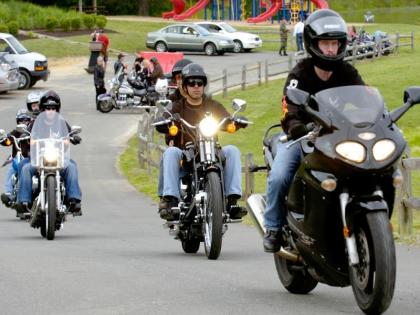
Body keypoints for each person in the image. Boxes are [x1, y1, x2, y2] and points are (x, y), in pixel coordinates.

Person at [262, 9, 365, 253]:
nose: (331, 49)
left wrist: (376, 119)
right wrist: (298, 128)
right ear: (313, 43)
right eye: (325, 43)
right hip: (303, 139)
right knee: (279, 177)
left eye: (335, 43)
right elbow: (289, 110)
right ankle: (274, 228)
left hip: (336, 139)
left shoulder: (346, 72)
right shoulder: (300, 74)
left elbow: (364, 97)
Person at [156, 63, 247, 221]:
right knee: (171, 152)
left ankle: (232, 200)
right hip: (186, 154)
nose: (196, 87)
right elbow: (165, 118)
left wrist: (235, 121)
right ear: (185, 86)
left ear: (204, 85)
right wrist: (165, 122)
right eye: (192, 83)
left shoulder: (212, 105)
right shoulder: (178, 107)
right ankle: (170, 201)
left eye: (200, 83)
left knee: (232, 150)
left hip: (212, 150)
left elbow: (227, 118)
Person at [16, 90, 83, 215]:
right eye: (48, 108)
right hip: (37, 159)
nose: (50, 111)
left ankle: (74, 200)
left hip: (59, 159)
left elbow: (70, 134)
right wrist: (26, 136)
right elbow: (27, 134)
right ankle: (24, 202)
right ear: (42, 109)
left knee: (72, 167)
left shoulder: (62, 122)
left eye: (53, 108)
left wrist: (74, 137)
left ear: (57, 109)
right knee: (25, 168)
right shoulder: (35, 123)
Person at [0, 109, 32, 207]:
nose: (23, 123)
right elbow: (8, 140)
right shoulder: (16, 132)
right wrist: (4, 140)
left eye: (26, 120)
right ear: (17, 122)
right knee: (11, 170)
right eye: (21, 120)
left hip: (31, 159)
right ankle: (9, 194)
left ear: (30, 121)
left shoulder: (33, 132)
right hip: (18, 158)